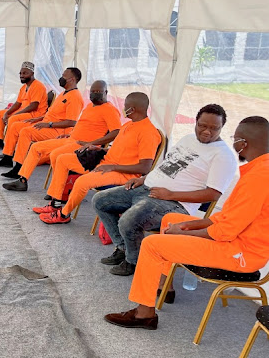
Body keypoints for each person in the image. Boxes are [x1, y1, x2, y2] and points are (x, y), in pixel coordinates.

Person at [104, 117, 269, 330]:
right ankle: (165, 286)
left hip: (241, 253)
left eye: (235, 139)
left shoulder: (259, 176)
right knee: (170, 219)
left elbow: (225, 231)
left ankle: (144, 314)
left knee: (153, 244)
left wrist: (184, 234)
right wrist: (189, 226)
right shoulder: (259, 170)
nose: (233, 143)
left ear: (243, 143)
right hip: (235, 238)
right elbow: (228, 217)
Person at [93, 104, 237, 276]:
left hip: (173, 203)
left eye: (214, 128)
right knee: (100, 201)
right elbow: (165, 165)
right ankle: (124, 249)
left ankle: (133, 262)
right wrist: (143, 179)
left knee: (128, 221)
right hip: (147, 188)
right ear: (196, 122)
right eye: (203, 126)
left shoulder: (223, 156)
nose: (207, 131)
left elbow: (213, 194)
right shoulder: (188, 139)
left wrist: (170, 194)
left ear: (222, 128)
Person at [37, 92, 161, 225]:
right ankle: (55, 203)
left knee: (82, 182)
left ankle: (63, 214)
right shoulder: (128, 125)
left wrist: (112, 167)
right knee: (62, 159)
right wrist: (100, 149)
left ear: (133, 109)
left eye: (125, 106)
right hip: (106, 163)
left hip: (122, 174)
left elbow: (145, 167)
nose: (123, 109)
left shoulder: (148, 132)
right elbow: (120, 150)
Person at [2, 80, 121, 191]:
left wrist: (92, 143)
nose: (94, 94)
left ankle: (58, 191)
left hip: (83, 145)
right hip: (70, 139)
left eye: (98, 91)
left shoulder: (110, 110)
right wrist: (69, 134)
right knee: (36, 147)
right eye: (92, 91)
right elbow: (80, 125)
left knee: (56, 155)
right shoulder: (90, 106)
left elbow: (116, 132)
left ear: (106, 92)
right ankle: (22, 180)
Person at [0, 67, 84, 168]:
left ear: (72, 79)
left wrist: (49, 124)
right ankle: (7, 157)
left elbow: (72, 122)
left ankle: (18, 166)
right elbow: (52, 113)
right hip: (46, 123)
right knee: (16, 126)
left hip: (58, 130)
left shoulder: (75, 97)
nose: (61, 78)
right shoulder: (64, 93)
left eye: (64, 76)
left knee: (26, 132)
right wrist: (38, 119)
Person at [0, 62, 48, 150]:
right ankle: (0, 141)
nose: (21, 75)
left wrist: (16, 114)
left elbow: (34, 106)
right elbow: (17, 103)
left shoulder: (38, 86)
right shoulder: (24, 87)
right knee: (1, 113)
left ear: (32, 74)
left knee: (13, 118)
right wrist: (7, 112)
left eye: (25, 73)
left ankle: (9, 148)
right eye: (21, 73)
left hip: (35, 114)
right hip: (25, 111)